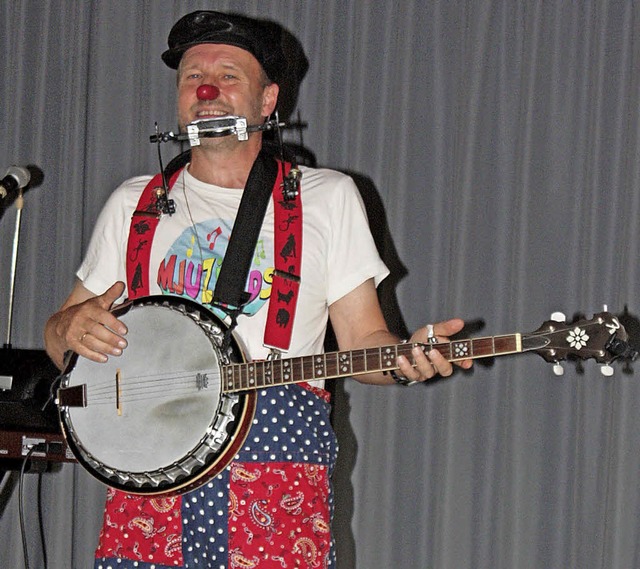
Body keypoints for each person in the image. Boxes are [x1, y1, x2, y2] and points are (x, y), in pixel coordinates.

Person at [44, 10, 472, 569]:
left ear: (267, 101)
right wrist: (67, 328)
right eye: (191, 76)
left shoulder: (327, 197)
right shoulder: (135, 202)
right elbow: (62, 342)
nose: (205, 88)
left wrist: (404, 360)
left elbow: (364, 337)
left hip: (276, 460)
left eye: (228, 76)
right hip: (153, 469)